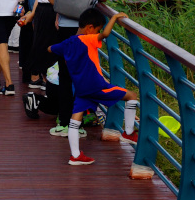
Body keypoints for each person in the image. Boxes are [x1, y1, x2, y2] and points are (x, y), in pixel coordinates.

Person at [37, 0, 114, 137]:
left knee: (65, 75)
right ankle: (77, 125)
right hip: (86, 29)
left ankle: (63, 123)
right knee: (82, 76)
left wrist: (58, 6)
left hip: (64, 26)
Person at [50, 9, 140, 165]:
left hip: (81, 88)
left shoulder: (67, 43)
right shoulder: (88, 39)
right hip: (96, 86)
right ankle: (129, 133)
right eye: (97, 29)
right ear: (90, 28)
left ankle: (76, 156)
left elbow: (51, 48)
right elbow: (105, 34)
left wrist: (56, 50)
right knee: (132, 96)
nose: (97, 33)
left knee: (75, 119)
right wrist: (114, 17)